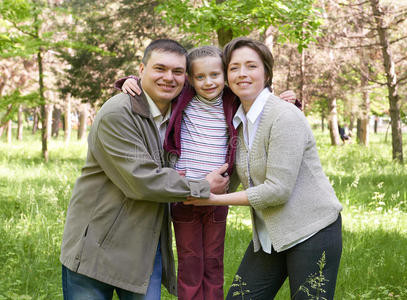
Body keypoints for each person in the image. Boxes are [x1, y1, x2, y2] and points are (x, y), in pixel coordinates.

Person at [116, 47, 300, 300]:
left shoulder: (232, 100)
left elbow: (261, 102)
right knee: (190, 263)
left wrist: (287, 99)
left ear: (224, 76)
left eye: (215, 75)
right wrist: (129, 81)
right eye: (200, 76)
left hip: (218, 196)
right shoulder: (182, 98)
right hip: (184, 194)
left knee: (213, 262)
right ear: (190, 79)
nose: (208, 82)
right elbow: (158, 84)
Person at [59, 39, 230, 300]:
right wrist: (202, 186)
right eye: (159, 68)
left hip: (145, 250)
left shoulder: (182, 111)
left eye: (177, 71)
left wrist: (283, 100)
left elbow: (237, 95)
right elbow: (141, 180)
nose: (168, 78)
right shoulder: (118, 114)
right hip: (96, 247)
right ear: (141, 70)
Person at [186, 37, 343, 300]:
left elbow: (277, 191)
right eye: (234, 68)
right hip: (271, 235)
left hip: (312, 231)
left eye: (251, 66)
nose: (242, 74)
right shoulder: (238, 120)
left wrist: (213, 199)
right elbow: (182, 81)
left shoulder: (284, 116)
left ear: (267, 73)